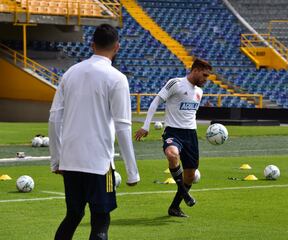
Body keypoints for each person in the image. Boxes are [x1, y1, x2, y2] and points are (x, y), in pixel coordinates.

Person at [49, 24, 140, 240]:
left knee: (73, 215)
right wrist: (132, 171)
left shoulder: (70, 73)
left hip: (70, 161)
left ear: (92, 45)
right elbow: (123, 126)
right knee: (101, 219)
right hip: (100, 165)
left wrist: (56, 159)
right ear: (117, 47)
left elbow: (54, 118)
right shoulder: (117, 78)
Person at [135, 59, 212, 217]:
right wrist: (146, 125)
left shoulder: (199, 92)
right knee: (172, 154)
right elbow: (156, 101)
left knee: (190, 175)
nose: (206, 79)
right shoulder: (175, 83)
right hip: (173, 131)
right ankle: (185, 193)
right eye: (204, 75)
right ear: (195, 70)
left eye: (208, 76)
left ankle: (174, 207)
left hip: (190, 134)